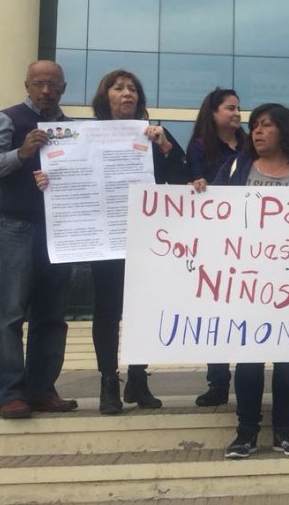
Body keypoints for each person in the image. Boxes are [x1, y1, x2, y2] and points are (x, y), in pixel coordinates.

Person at [36, 70, 190, 415]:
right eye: (118, 88)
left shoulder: (154, 133)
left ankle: (138, 378)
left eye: (132, 88)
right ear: (105, 97)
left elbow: (183, 179)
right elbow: (65, 178)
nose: (127, 93)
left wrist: (165, 146)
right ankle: (109, 382)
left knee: (141, 309)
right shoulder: (81, 136)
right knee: (107, 309)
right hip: (105, 240)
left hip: (145, 237)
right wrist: (48, 179)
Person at [206, 103, 289, 459]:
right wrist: (201, 189)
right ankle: (245, 432)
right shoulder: (236, 167)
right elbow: (211, 210)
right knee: (248, 357)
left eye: (266, 125)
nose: (258, 132)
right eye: (254, 126)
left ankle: (284, 431)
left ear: (285, 130)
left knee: (288, 356)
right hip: (245, 278)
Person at [0, 60, 77, 419]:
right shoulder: (6, 120)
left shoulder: (71, 129)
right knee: (11, 313)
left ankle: (42, 390)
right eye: (38, 83)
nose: (46, 90)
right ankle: (10, 395)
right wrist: (21, 153)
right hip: (15, 227)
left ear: (63, 88)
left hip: (59, 231)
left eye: (53, 84)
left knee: (52, 315)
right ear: (27, 85)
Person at [186, 88, 247, 408]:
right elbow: (193, 183)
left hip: (252, 240)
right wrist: (195, 184)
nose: (237, 113)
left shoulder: (250, 145)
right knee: (217, 310)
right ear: (213, 113)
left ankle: (248, 380)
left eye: (238, 108)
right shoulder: (199, 147)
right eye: (230, 108)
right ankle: (218, 382)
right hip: (215, 241)